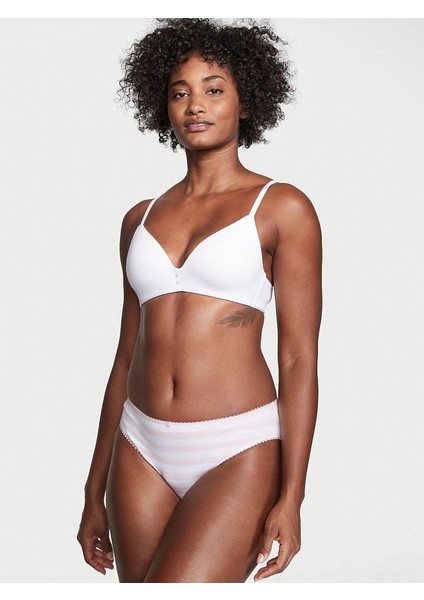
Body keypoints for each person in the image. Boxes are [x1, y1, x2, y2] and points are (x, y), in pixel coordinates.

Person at [77, 18, 322, 583]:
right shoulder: (139, 219)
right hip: (138, 446)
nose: (195, 106)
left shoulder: (281, 207)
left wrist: (293, 498)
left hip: (236, 447)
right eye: (179, 92)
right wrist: (92, 491)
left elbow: (298, 360)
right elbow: (125, 357)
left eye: (214, 90)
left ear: (246, 101)